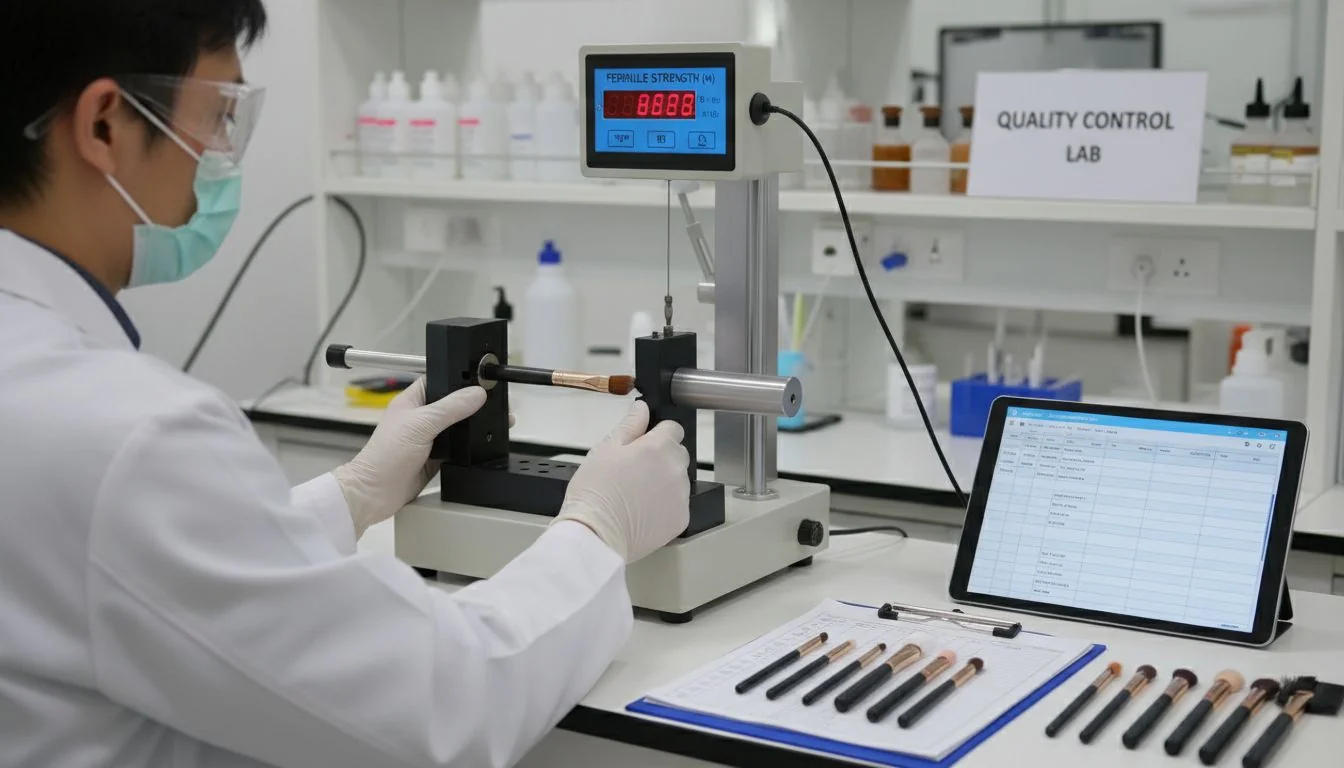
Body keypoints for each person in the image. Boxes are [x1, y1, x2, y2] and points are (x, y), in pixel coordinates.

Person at [0, 3, 692, 766]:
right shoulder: (131, 438)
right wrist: (597, 534)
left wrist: (353, 493)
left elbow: (158, 579)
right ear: (105, 124)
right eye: (218, 114)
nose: (223, 153)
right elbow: (447, 700)